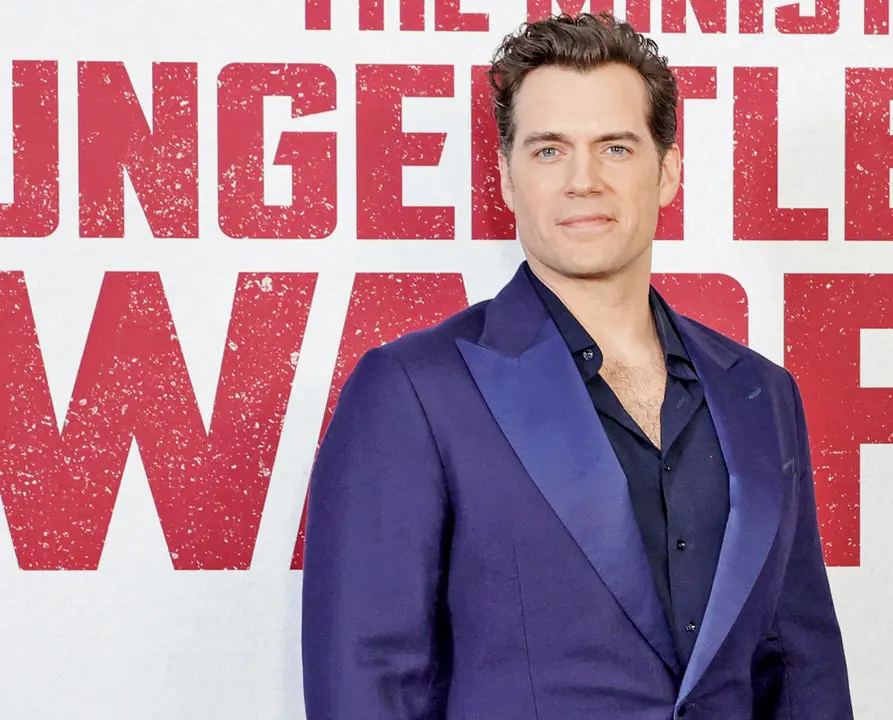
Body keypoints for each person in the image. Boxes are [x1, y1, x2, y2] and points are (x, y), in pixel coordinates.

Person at [300, 11, 853, 719]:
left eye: (615, 147)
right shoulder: (414, 390)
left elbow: (801, 666)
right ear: (507, 179)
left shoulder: (761, 391)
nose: (582, 180)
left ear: (668, 171)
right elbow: (367, 680)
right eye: (549, 151)